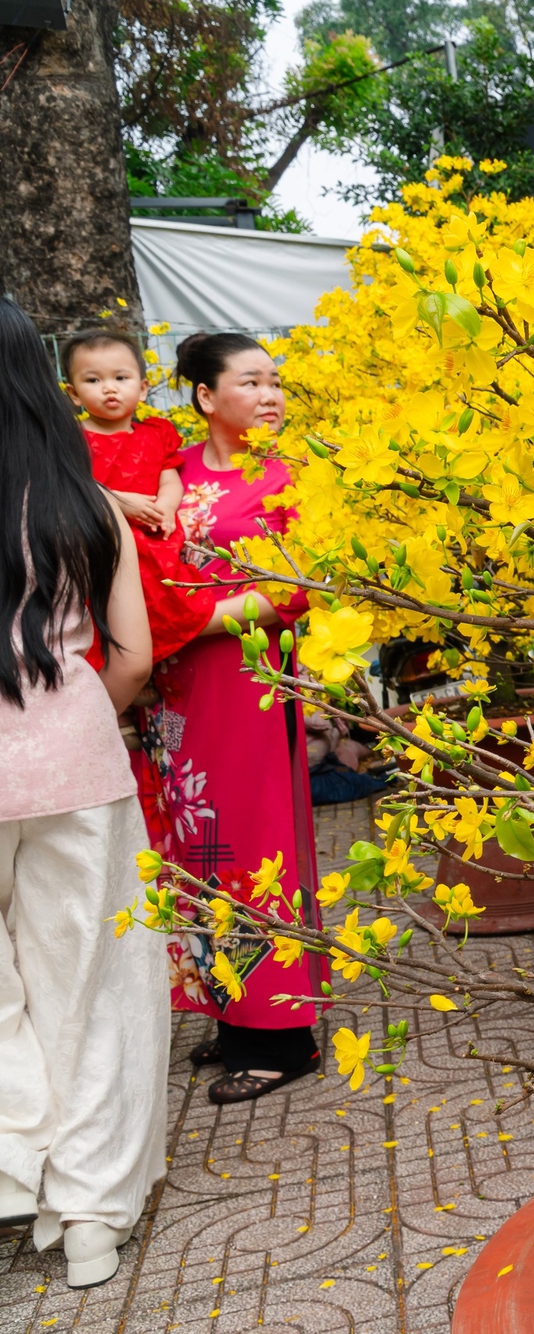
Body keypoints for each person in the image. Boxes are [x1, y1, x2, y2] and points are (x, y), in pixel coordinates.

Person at [0, 297, 167, 1289]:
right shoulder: (91, 502)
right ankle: (90, 1211)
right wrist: (62, 725)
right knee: (94, 987)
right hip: (74, 761)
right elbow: (135, 658)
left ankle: (12, 1169)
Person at [138, 332, 325, 1104]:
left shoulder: (291, 477)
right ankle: (231, 1011)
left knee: (255, 849)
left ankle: (283, 1037)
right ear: (207, 398)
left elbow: (296, 585)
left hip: (247, 683)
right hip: (176, 697)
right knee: (194, 850)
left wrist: (192, 620)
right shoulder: (172, 473)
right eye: (253, 381)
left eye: (276, 381)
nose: (273, 394)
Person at [60, 331, 218, 663]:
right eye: (93, 380)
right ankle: (123, 672)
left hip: (152, 538)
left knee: (168, 594)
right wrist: (116, 501)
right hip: (100, 541)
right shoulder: (72, 439)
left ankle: (150, 664)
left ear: (143, 388)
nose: (109, 387)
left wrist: (165, 506)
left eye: (121, 377)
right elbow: (69, 486)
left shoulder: (156, 434)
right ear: (73, 393)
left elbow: (169, 478)